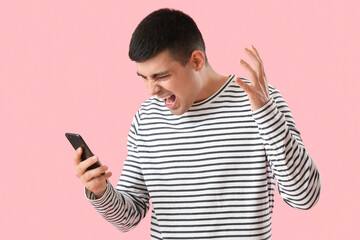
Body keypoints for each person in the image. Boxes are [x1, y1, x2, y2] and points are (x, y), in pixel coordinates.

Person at [73, 8, 321, 240]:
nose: (151, 90)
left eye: (161, 76)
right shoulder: (147, 117)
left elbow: (304, 197)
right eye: (145, 78)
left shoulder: (260, 99)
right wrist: (100, 191)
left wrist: (266, 113)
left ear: (196, 61)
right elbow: (128, 217)